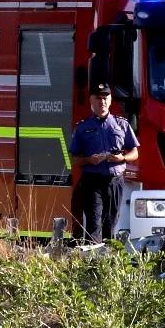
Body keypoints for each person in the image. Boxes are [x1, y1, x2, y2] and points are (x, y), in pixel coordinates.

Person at [68, 83, 139, 241]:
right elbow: (74, 159)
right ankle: (93, 261)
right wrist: (88, 159)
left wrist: (122, 158)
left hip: (115, 181)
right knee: (94, 222)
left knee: (111, 223)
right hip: (92, 181)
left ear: (111, 100)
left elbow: (134, 153)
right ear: (91, 101)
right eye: (98, 98)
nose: (102, 101)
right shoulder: (82, 127)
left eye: (105, 97)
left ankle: (107, 260)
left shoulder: (122, 124)